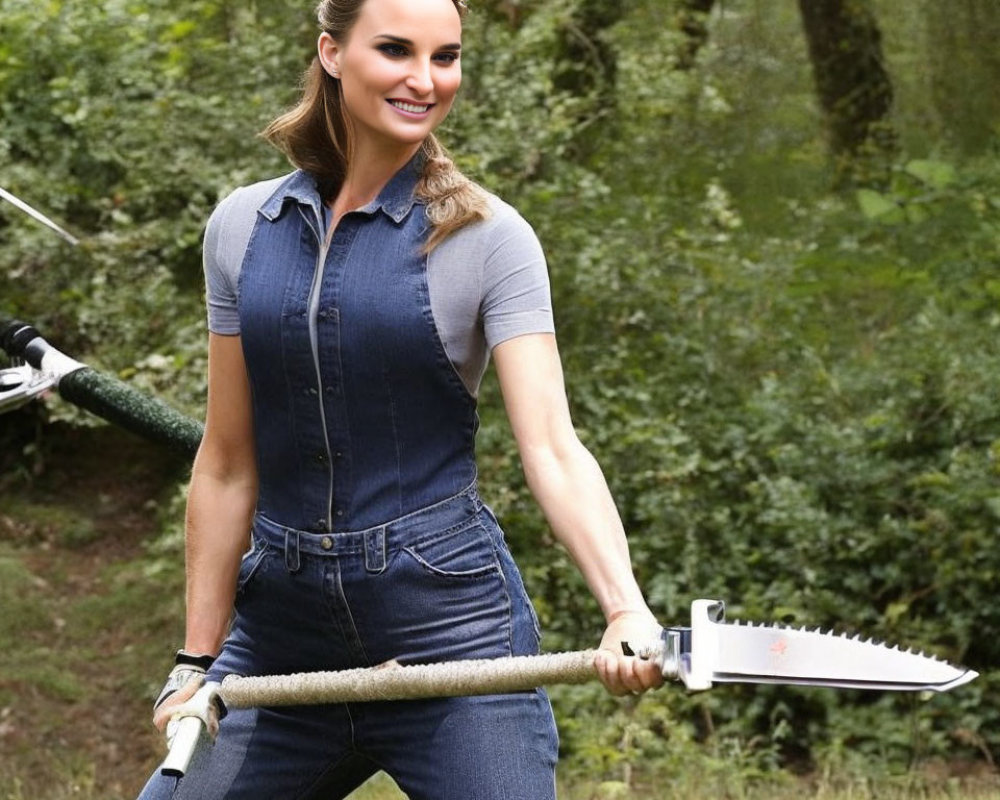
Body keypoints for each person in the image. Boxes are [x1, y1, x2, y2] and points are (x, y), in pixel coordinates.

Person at [137, 0, 663, 797]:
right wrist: (196, 657)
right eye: (395, 50)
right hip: (281, 635)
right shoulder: (242, 227)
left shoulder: (489, 238)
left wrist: (624, 607)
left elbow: (552, 446)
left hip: (451, 632)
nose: (426, 80)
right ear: (332, 52)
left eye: (445, 57)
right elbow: (227, 462)